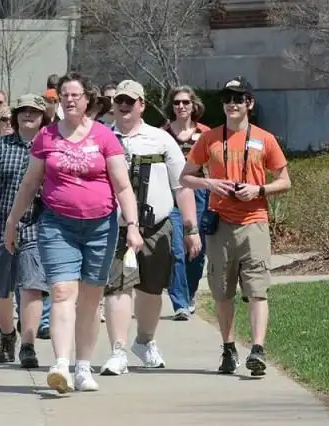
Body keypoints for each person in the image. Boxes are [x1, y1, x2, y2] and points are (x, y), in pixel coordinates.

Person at [5, 72, 143, 393]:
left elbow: (123, 186)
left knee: (91, 300)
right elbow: (30, 183)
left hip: (100, 226)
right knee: (61, 292)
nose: (68, 100)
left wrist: (133, 226)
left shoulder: (105, 137)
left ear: (87, 100)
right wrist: (13, 222)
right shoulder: (46, 137)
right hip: (57, 225)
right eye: (63, 95)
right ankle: (61, 365)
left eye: (75, 95)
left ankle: (83, 366)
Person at [180, 76, 291, 376]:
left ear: (249, 103)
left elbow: (285, 181)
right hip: (220, 224)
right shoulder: (209, 138)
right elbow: (185, 177)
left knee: (257, 289)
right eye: (227, 99)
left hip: (255, 222)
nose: (232, 104)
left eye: (238, 99)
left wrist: (259, 190)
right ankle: (228, 348)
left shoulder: (264, 139)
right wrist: (210, 183)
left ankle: (257, 349)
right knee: (221, 291)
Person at [99, 80, 201, 376]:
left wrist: (191, 229)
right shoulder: (102, 138)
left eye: (130, 101)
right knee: (117, 287)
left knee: (152, 290)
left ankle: (144, 342)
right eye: (119, 100)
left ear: (142, 105)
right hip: (115, 227)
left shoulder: (161, 139)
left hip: (157, 227)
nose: (124, 105)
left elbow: (182, 186)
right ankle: (118, 351)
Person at [0, 94, 51, 368]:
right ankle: (7, 335)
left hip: (35, 227)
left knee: (32, 286)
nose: (28, 115)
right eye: (23, 111)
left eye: (34, 112)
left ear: (43, 117)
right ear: (15, 116)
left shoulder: (50, 147)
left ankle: (28, 344)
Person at [163, 85, 211, 321]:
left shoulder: (205, 133)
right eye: (176, 102)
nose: (181, 106)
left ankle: (190, 293)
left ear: (194, 106)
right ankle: (180, 303)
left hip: (199, 193)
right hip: (170, 194)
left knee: (197, 250)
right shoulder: (162, 134)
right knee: (176, 250)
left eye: (185, 102)